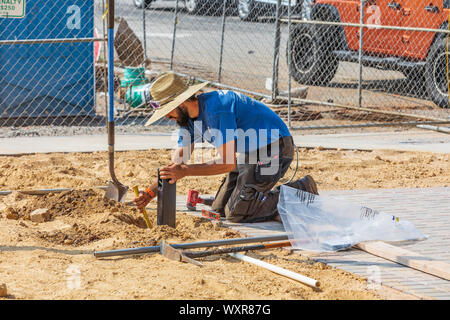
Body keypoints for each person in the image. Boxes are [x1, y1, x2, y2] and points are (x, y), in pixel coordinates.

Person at [134, 72, 318, 223]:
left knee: (237, 213)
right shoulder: (187, 119)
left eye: (168, 111)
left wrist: (186, 171)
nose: (166, 117)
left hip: (275, 148)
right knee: (219, 209)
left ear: (180, 103)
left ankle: (301, 189)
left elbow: (227, 164)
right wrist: (151, 192)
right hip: (251, 152)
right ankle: (259, 201)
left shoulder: (216, 109)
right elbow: (176, 164)